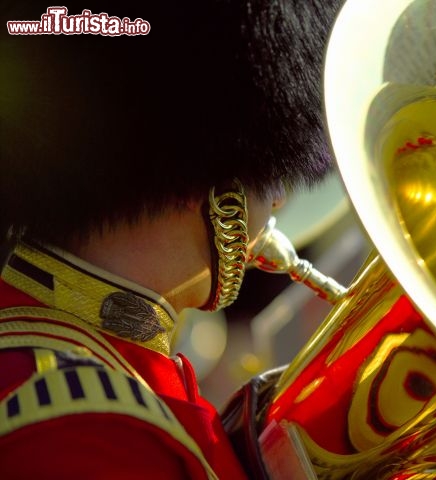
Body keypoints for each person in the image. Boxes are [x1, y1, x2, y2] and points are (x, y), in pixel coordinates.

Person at [0, 1, 342, 478]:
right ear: (195, 180)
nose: (281, 198)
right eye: (268, 174)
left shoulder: (104, 371)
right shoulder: (86, 434)